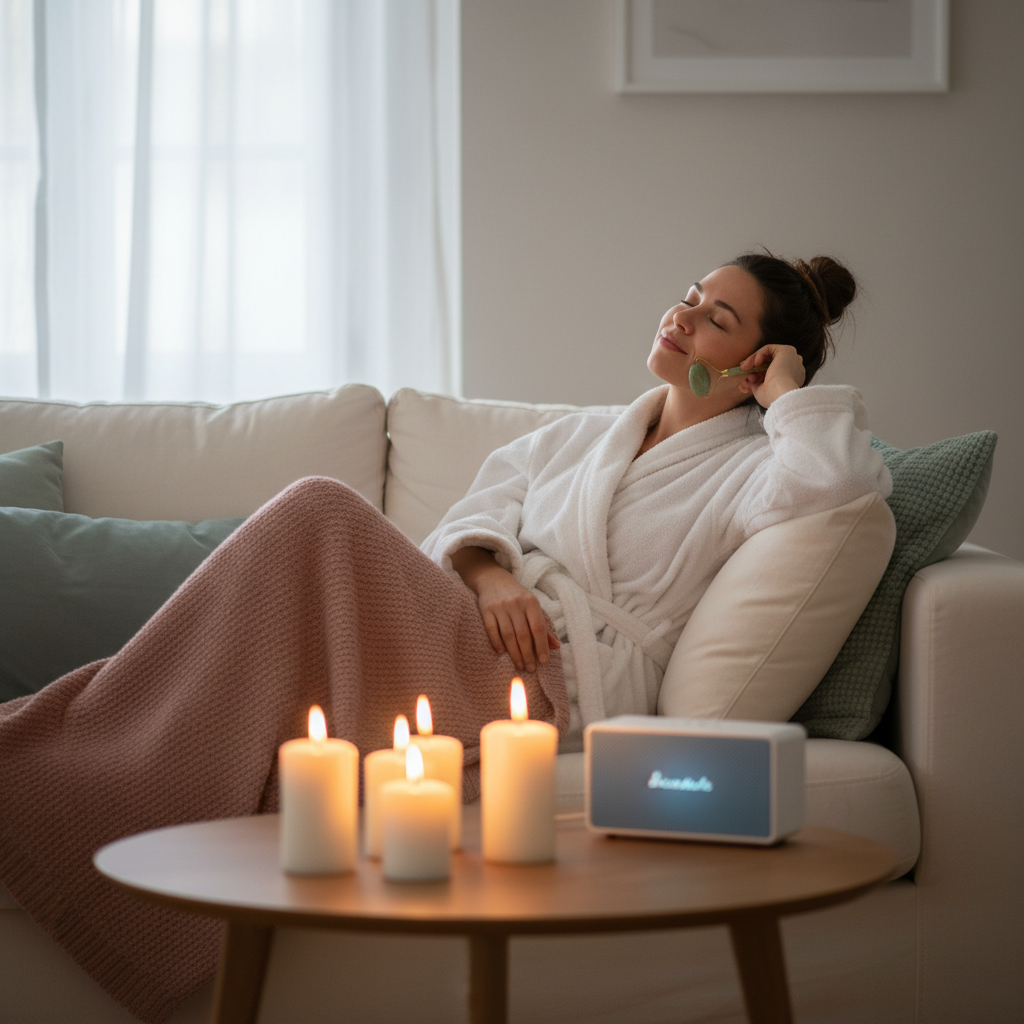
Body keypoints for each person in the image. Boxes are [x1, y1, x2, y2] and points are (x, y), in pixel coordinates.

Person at [0, 250, 892, 1023]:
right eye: (690, 295)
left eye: (717, 319)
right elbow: (473, 514)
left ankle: (70, 752)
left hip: (556, 673)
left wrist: (790, 399)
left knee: (318, 510)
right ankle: (83, 750)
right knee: (280, 607)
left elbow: (841, 487)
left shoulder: (753, 468)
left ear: (753, 367)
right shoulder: (580, 436)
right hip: (476, 626)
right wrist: (490, 569)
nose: (684, 315)